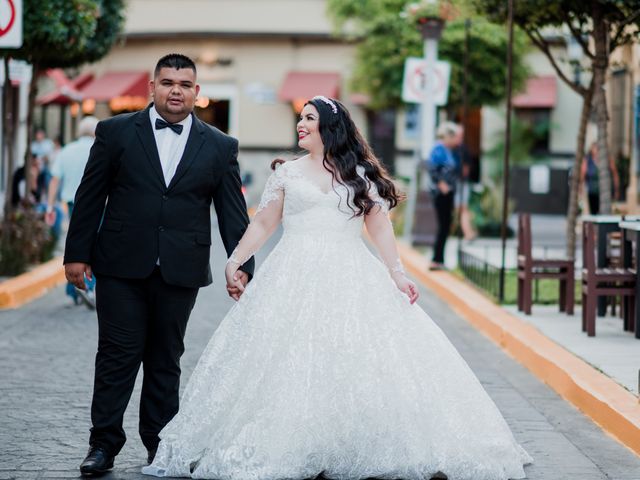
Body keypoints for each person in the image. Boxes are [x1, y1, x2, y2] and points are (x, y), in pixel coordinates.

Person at [142, 97, 531, 479]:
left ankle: (347, 441)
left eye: (309, 118)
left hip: (350, 272)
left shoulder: (359, 175)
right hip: (292, 275)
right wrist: (235, 259)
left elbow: (379, 226)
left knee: (354, 359)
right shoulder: (287, 173)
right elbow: (263, 223)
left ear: (329, 127)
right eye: (300, 118)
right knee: (288, 360)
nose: (301, 124)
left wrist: (396, 272)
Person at [63, 53, 254, 476]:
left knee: (166, 359)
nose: (175, 90)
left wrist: (243, 264)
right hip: (119, 265)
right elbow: (91, 194)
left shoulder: (221, 146)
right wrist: (77, 254)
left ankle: (160, 446)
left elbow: (233, 213)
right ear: (152, 87)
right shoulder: (115, 132)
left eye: (184, 84)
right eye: (167, 82)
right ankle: (103, 444)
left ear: (196, 93)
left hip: (180, 268)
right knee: (117, 355)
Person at [46, 116, 99, 308]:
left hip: (72, 202)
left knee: (74, 242)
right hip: (96, 203)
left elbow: (54, 179)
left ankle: (72, 290)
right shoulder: (99, 148)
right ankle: (89, 287)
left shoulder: (66, 150)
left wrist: (50, 206)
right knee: (94, 243)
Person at [426, 122, 462, 270]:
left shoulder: (448, 150)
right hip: (441, 193)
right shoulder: (439, 149)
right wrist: (442, 185)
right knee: (443, 226)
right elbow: (432, 169)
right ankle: (436, 259)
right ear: (448, 135)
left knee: (446, 226)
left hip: (448, 192)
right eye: (454, 136)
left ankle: (439, 259)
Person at [581, 141, 620, 215]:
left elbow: (615, 173)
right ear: (591, 150)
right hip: (592, 191)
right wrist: (581, 188)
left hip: (605, 191)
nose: (596, 150)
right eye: (595, 148)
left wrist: (616, 189)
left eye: (598, 149)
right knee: (593, 212)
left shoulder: (607, 159)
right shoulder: (588, 160)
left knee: (605, 212)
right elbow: (583, 174)